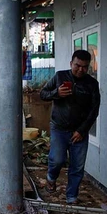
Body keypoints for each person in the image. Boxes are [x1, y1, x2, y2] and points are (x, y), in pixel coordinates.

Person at [40, 50, 100, 204]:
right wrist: (57, 93)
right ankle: (51, 177)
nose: (80, 69)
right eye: (77, 65)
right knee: (57, 160)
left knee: (77, 167)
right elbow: (43, 94)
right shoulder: (60, 76)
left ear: (89, 67)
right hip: (59, 128)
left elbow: (94, 111)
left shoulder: (92, 84)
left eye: (85, 67)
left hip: (79, 132)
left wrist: (82, 130)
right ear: (71, 64)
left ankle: (71, 197)